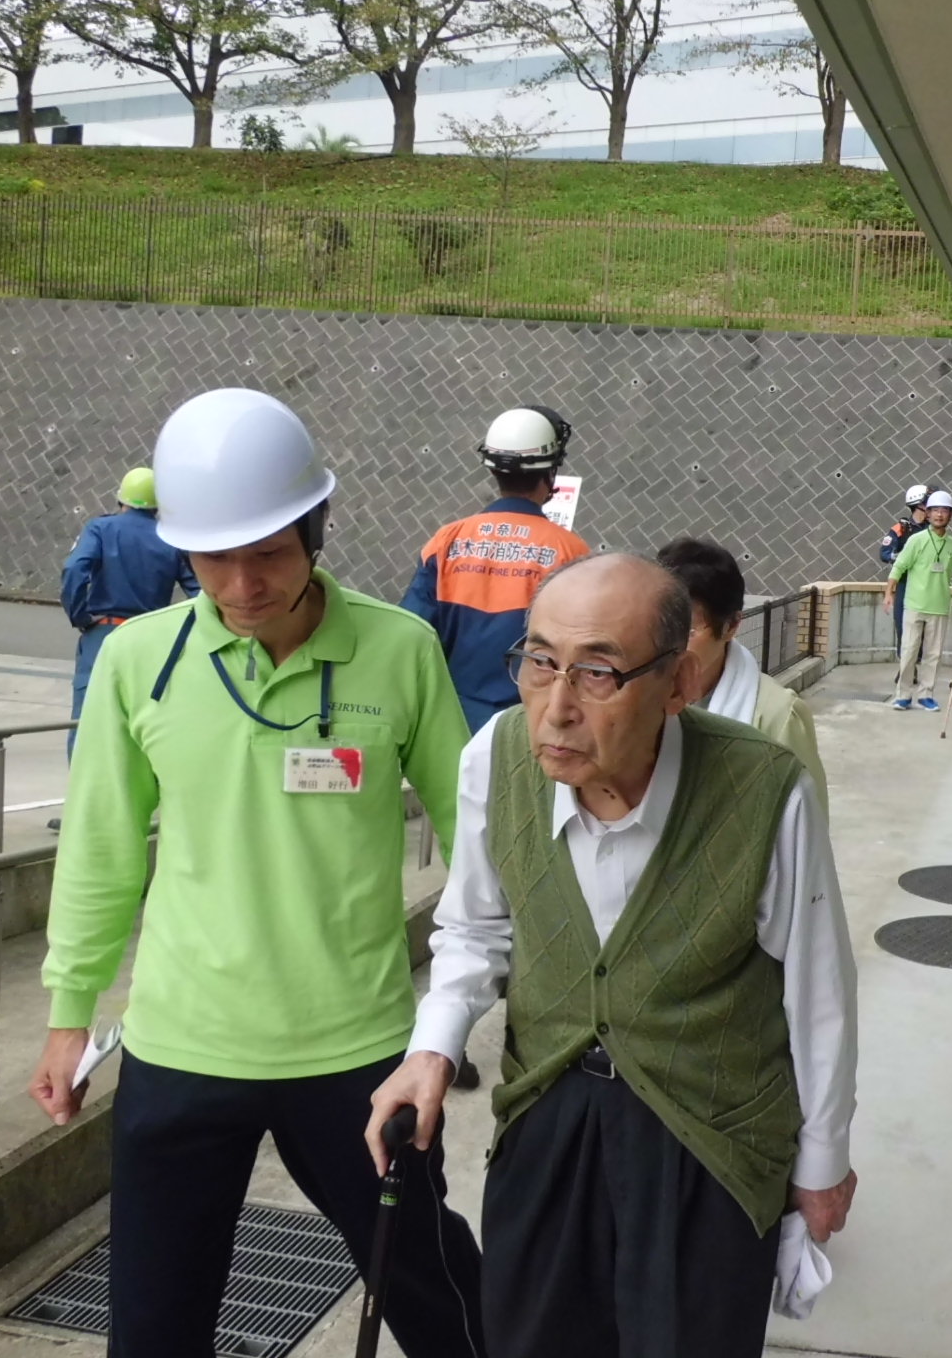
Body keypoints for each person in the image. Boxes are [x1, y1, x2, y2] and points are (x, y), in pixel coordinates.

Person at [29, 389, 486, 1358]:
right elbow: (102, 845)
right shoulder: (137, 662)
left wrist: (464, 1018)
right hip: (180, 1048)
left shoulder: (399, 651)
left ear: (315, 527)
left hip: (358, 1054)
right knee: (154, 1327)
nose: (242, 585)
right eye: (212, 559)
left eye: (269, 553)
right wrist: (71, 1012)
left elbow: (476, 840)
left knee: (438, 1295)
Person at [367, 553, 858, 1358]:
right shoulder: (495, 757)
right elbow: (474, 927)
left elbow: (819, 990)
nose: (556, 709)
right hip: (546, 1112)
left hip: (709, 1131)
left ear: (678, 682)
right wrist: (432, 1049)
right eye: (539, 662)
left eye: (597, 673)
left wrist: (822, 1162)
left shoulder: (765, 788)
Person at [402, 405, 592, 733]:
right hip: (528, 723)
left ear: (493, 469)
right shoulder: (571, 553)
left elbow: (411, 633)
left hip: (451, 721)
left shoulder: (446, 541)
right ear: (550, 471)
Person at [655, 537, 830, 819]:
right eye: (661, 624)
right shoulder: (632, 692)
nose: (667, 642)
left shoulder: (776, 717)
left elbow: (806, 822)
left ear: (732, 626)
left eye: (687, 630)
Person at [58, 466, 196, 760]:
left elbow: (74, 569)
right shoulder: (170, 540)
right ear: (158, 506)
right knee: (144, 721)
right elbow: (200, 594)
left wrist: (80, 616)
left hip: (104, 636)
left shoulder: (100, 529)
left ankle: (84, 784)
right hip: (153, 640)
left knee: (87, 721)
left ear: (121, 500)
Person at [884, 489, 952, 712]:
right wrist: (889, 593)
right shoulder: (916, 540)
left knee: (933, 655)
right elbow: (899, 566)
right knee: (909, 651)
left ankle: (926, 695)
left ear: (951, 515)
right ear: (928, 513)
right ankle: (903, 695)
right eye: (935, 510)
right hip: (914, 605)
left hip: (939, 607)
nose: (939, 514)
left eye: (944, 511)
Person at [878, 485, 929, 652]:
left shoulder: (933, 529)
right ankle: (904, 660)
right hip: (905, 583)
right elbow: (885, 553)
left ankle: (919, 658)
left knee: (925, 626)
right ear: (919, 505)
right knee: (902, 624)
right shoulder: (901, 528)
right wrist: (902, 558)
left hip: (926, 584)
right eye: (928, 502)